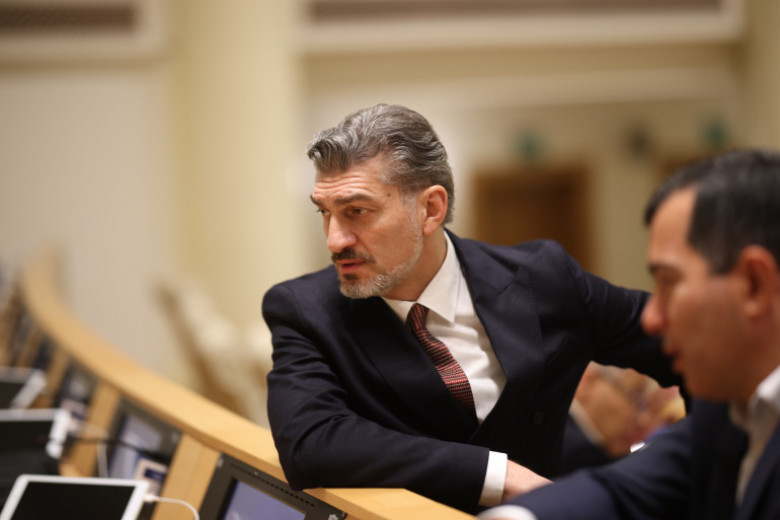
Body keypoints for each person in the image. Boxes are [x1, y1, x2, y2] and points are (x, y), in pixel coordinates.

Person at [261, 103, 678, 514]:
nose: (335, 239)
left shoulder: (544, 278)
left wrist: (684, 471)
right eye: (325, 213)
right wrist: (498, 475)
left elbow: (686, 344)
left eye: (356, 212)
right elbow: (310, 444)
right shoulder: (305, 311)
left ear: (430, 209)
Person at [480, 148, 780, 520]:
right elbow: (624, 490)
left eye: (668, 281)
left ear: (754, 283)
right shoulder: (731, 407)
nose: (651, 319)